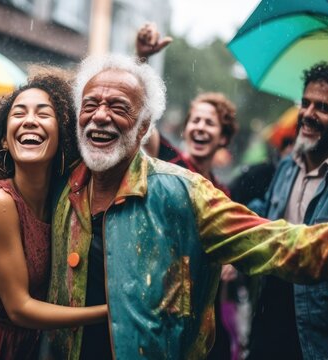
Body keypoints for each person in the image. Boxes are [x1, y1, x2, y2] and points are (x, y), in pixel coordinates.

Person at [38, 53, 328, 360]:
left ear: (143, 127)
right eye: (90, 104)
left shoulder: (184, 193)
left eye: (118, 106)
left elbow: (271, 242)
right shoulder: (61, 184)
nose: (100, 115)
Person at [0, 73, 107, 359]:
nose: (30, 120)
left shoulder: (61, 203)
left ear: (62, 134)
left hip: (24, 348)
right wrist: (110, 313)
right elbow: (20, 308)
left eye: (43, 113)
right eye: (19, 113)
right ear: (3, 140)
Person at [247, 63, 328, 360]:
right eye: (305, 103)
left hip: (322, 333)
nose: (308, 114)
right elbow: (267, 207)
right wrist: (246, 219)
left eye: (324, 107)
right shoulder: (289, 163)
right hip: (268, 311)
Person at [137, 22, 241, 359]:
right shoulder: (169, 160)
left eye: (209, 122)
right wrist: (142, 61)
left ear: (223, 137)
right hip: (156, 301)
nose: (199, 126)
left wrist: (230, 262)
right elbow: (140, 123)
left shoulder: (223, 192)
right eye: (195, 120)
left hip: (202, 310)